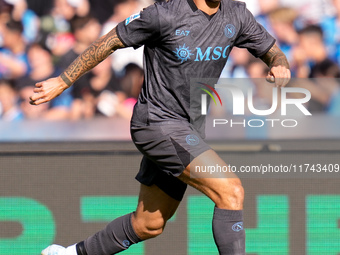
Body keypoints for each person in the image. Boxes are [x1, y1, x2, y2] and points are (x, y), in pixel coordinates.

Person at [30, 0, 290, 254]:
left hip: (188, 130)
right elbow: (109, 41)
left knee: (148, 224)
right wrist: (63, 80)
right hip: (156, 123)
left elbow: (273, 51)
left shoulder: (237, 14)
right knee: (231, 190)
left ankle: (70, 253)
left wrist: (279, 63)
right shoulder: (163, 14)